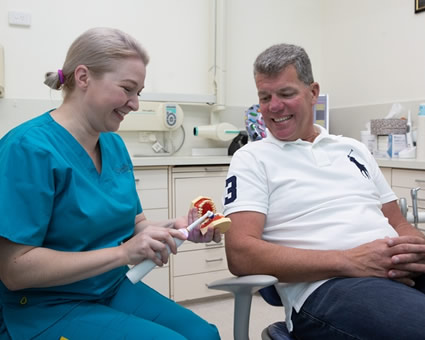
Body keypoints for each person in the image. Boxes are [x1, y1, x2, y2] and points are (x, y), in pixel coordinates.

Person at [0, 27, 221, 340]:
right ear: (83, 77)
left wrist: (180, 227)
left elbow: (136, 226)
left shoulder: (113, 146)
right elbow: (14, 269)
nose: (135, 104)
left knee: (204, 335)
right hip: (44, 305)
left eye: (139, 93)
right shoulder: (27, 149)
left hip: (111, 287)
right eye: (127, 89)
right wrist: (123, 255)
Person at [222, 43, 425, 339]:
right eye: (265, 97)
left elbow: (399, 223)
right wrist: (350, 261)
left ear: (313, 92)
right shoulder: (252, 158)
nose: (273, 106)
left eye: (286, 94)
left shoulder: (353, 149)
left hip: (397, 268)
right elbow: (240, 254)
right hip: (328, 287)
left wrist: (416, 249)